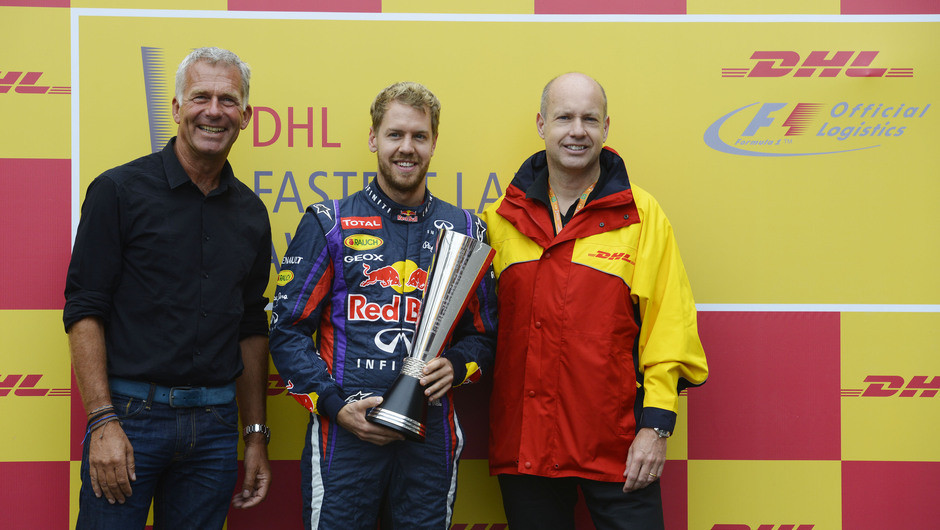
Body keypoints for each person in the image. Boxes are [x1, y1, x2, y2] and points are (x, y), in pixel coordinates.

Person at [482, 72, 709, 529]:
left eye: (589, 118)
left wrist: (656, 427)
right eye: (564, 117)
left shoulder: (642, 216)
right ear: (542, 124)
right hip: (525, 447)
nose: (577, 131)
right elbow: (477, 331)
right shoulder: (499, 220)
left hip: (619, 448)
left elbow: (670, 327)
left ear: (606, 127)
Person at [269, 81, 497, 529]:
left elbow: (485, 336)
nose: (406, 148)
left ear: (434, 143)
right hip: (346, 436)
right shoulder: (329, 222)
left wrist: (456, 364)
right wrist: (335, 405)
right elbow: (287, 330)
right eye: (395, 134)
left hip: (429, 440)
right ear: (374, 139)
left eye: (419, 136)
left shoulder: (466, 229)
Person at [64, 47, 272, 528]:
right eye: (200, 96)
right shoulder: (117, 192)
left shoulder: (251, 213)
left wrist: (255, 436)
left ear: (245, 116)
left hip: (217, 429)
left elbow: (250, 325)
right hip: (130, 421)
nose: (214, 111)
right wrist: (101, 420)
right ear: (177, 109)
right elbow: (84, 309)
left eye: (228, 99)